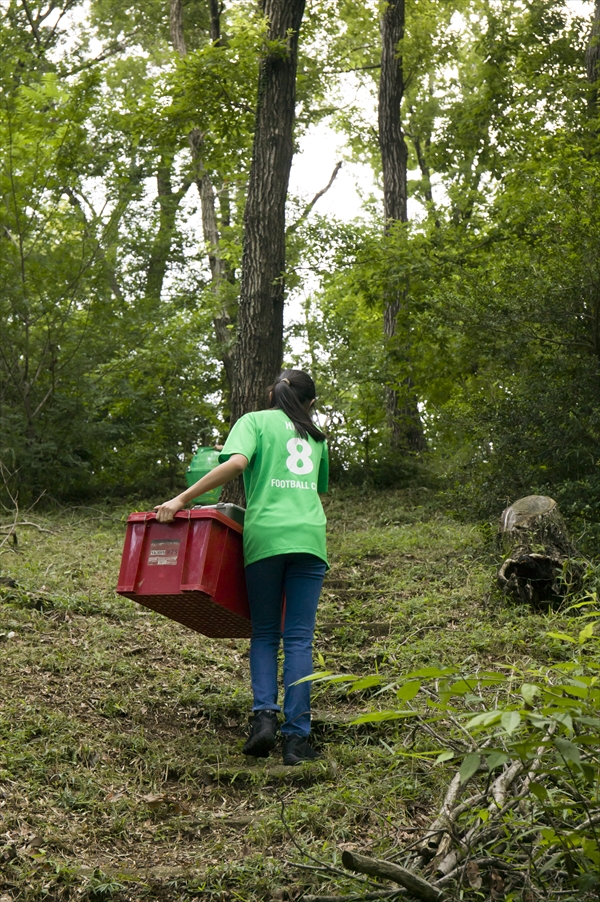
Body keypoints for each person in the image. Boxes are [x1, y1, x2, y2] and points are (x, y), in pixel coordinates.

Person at [154, 369, 329, 766]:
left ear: (271, 393)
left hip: (266, 537)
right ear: (310, 403)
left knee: (266, 632)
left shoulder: (253, 421)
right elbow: (315, 489)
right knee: (299, 639)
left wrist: (181, 500)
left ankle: (264, 719)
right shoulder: (317, 438)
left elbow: (236, 464)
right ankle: (297, 739)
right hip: (309, 539)